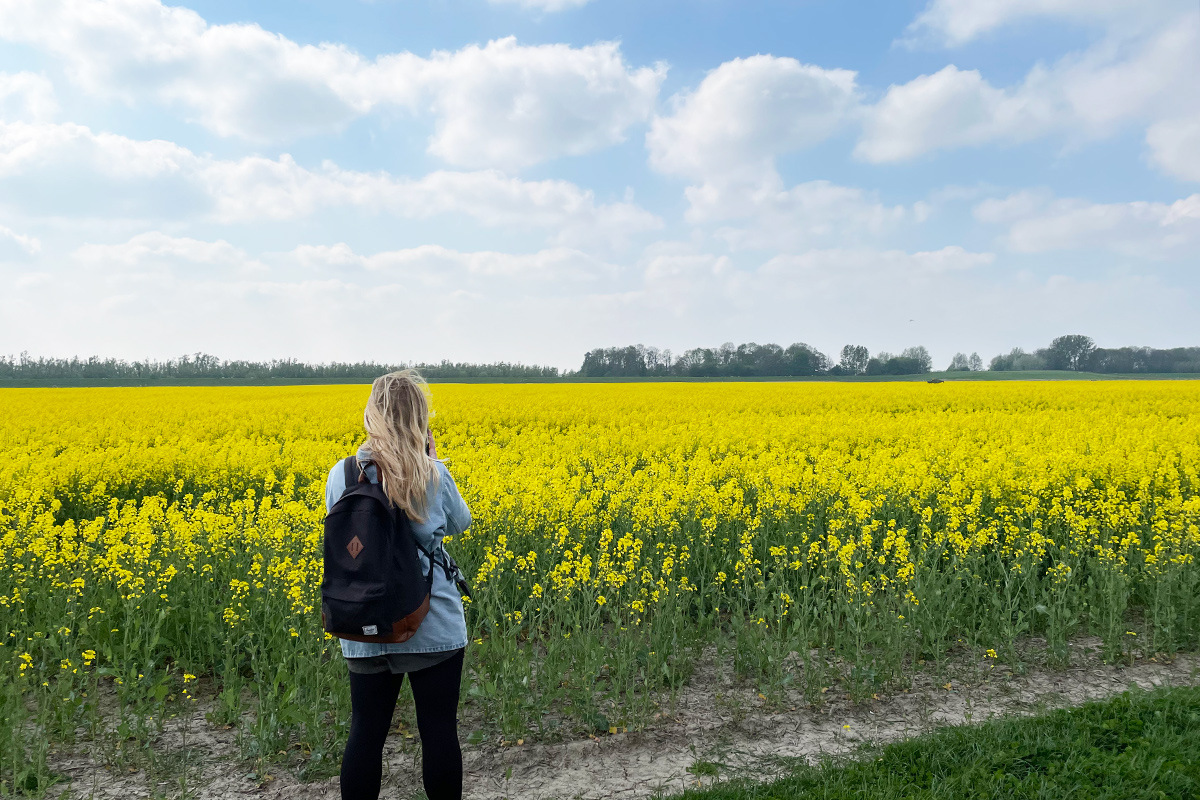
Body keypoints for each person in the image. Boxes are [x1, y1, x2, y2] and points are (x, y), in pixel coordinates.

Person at [324, 370, 471, 800]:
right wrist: (432, 458)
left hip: (363, 618)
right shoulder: (432, 473)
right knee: (439, 732)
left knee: (365, 735)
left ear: (373, 415)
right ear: (420, 418)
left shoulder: (343, 473)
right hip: (432, 621)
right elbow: (460, 524)